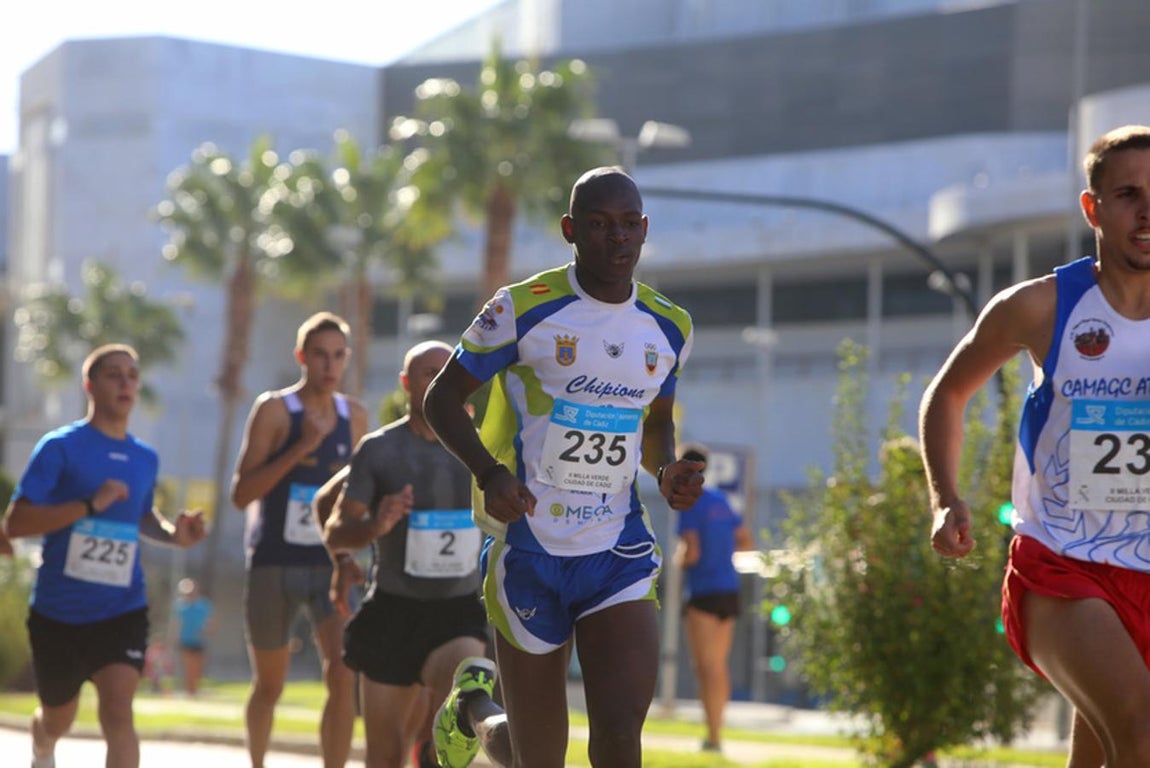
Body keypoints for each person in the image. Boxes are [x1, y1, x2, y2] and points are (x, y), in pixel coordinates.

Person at [423, 166, 705, 768]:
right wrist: (488, 473)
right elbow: (441, 399)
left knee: (621, 726)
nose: (617, 238)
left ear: (645, 229)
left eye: (630, 224)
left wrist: (667, 470)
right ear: (571, 230)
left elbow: (654, 423)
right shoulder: (522, 309)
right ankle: (473, 708)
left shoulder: (668, 325)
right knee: (538, 756)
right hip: (531, 549)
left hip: (617, 550)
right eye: (600, 225)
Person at [919, 124, 1150, 768]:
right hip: (1062, 562)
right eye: (1129, 193)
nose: (1148, 210)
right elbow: (948, 394)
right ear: (1093, 207)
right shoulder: (1042, 307)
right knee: (1141, 731)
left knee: (1105, 749)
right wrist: (946, 497)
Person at [1, 343, 207, 768]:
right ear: (90, 385)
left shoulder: (144, 457)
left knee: (118, 710)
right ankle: (42, 745)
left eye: (132, 375)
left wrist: (176, 535)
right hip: (59, 612)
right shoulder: (60, 447)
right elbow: (17, 523)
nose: (126, 382)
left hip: (121, 608)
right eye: (114, 374)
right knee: (59, 717)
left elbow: (142, 516)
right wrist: (89, 505)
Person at [314, 340, 513, 768]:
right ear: (406, 383)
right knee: (384, 755)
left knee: (469, 679)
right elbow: (334, 533)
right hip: (391, 612)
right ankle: (429, 745)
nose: (440, 380)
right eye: (428, 373)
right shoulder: (380, 449)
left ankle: (451, 731)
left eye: (448, 371)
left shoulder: (483, 448)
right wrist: (374, 526)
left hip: (456, 611)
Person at [231, 311, 368, 768]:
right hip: (273, 562)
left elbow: (360, 496)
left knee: (343, 674)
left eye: (337, 356)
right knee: (270, 684)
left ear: (346, 359)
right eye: (319, 355)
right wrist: (299, 449)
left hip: (331, 564)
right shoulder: (275, 410)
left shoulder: (355, 417)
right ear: (301, 357)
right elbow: (241, 494)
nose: (329, 365)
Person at [673, 442, 754, 754]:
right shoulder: (722, 501)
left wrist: (679, 559)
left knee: (705, 667)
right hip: (728, 589)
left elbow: (691, 553)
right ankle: (717, 733)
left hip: (703, 591)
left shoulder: (689, 505)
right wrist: (722, 553)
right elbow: (746, 541)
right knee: (719, 666)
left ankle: (713, 737)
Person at [172, 577, 215, 696]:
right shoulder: (180, 606)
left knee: (197, 666)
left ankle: (195, 690)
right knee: (187, 666)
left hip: (199, 639)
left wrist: (208, 629)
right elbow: (176, 623)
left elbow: (210, 621)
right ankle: (188, 690)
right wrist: (174, 637)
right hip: (185, 639)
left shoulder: (204, 605)